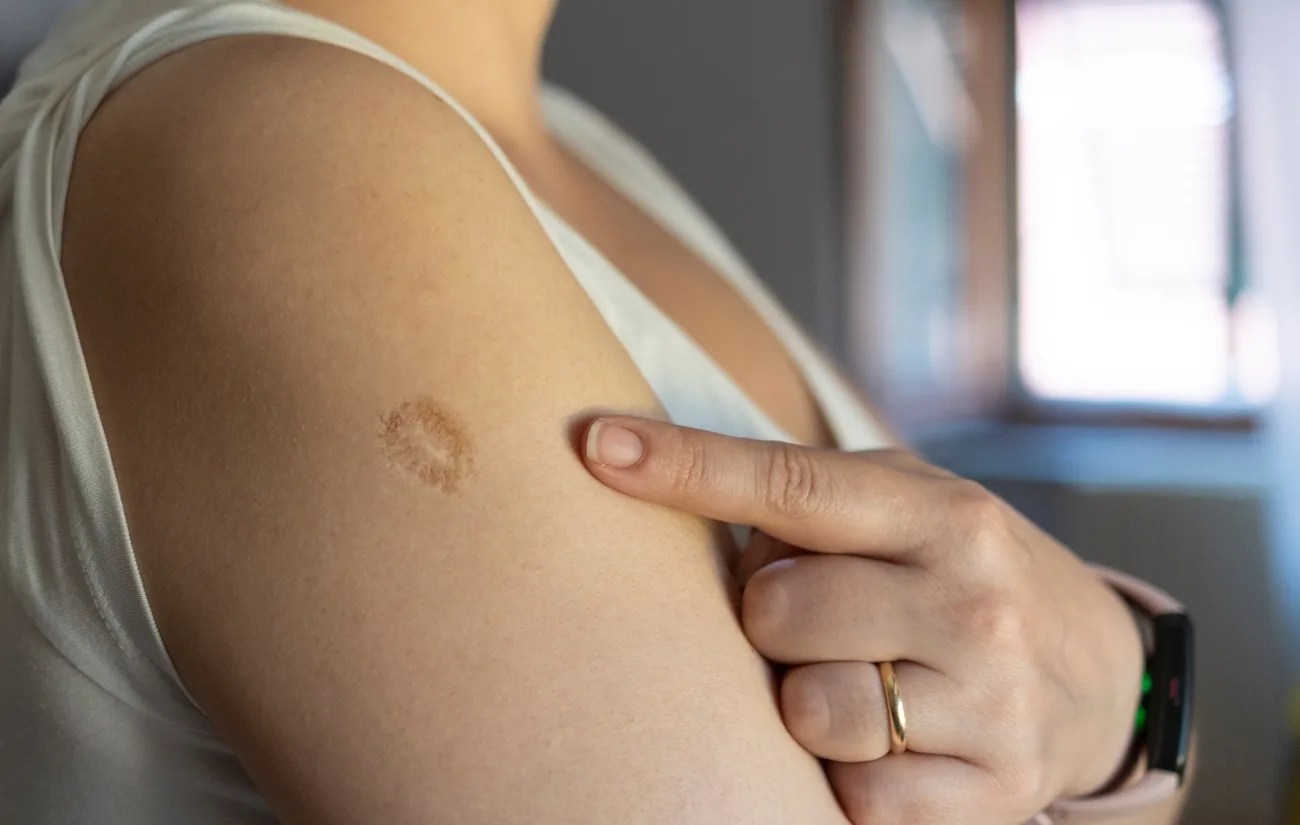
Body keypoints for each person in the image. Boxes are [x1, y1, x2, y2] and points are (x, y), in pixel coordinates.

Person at [0, 1, 1192, 823]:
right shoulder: (289, 156)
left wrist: (1128, 694)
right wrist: (1116, 697)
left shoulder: (568, 144)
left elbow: (1016, 718)